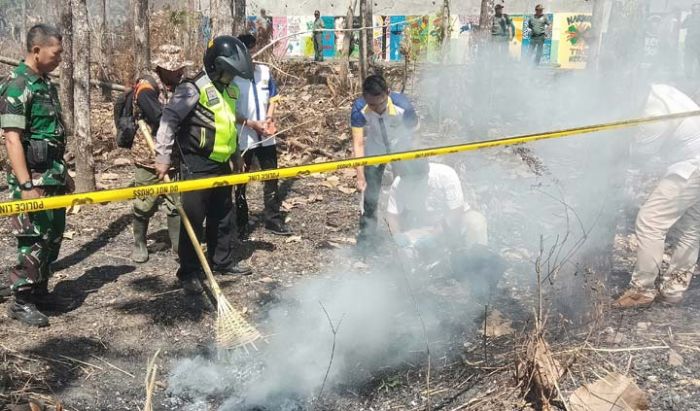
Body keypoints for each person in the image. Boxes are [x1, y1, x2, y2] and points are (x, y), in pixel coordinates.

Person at [154, 35, 255, 293]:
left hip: (222, 163)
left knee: (223, 216)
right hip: (197, 163)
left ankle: (221, 261)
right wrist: (163, 156)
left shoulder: (230, 90)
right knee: (193, 220)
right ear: (214, 66)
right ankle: (188, 272)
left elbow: (228, 125)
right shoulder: (193, 88)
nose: (231, 78)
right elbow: (168, 121)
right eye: (228, 73)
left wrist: (235, 155)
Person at [0, 24, 73, 326]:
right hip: (33, 179)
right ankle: (21, 299)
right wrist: (26, 184)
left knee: (53, 236)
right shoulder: (19, 85)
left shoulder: (45, 84)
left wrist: (65, 172)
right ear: (36, 51)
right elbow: (12, 138)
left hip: (52, 175)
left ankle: (41, 291)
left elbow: (52, 134)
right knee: (33, 239)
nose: (60, 59)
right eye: (56, 53)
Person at [614, 84, 700, 308]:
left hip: (693, 166)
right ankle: (673, 289)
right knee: (691, 228)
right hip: (694, 161)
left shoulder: (655, 112)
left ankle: (641, 290)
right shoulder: (660, 90)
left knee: (650, 220)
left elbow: (641, 155)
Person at [386, 159, 501, 298]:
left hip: (457, 223)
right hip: (425, 228)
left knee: (476, 223)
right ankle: (414, 292)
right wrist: (397, 235)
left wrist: (435, 235)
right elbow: (392, 215)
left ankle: (479, 273)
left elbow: (456, 211)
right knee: (404, 252)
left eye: (417, 179)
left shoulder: (445, 175)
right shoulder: (399, 184)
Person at [130, 45, 190, 263]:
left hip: (175, 155)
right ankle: (139, 242)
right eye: (176, 69)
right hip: (149, 155)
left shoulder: (182, 84)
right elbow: (159, 116)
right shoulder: (147, 86)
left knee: (176, 203)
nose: (180, 72)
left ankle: (178, 245)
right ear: (163, 68)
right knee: (144, 204)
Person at [351, 74, 418, 248]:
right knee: (370, 196)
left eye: (379, 104)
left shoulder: (403, 105)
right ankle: (367, 239)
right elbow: (358, 143)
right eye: (371, 105)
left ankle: (407, 232)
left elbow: (413, 130)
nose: (376, 109)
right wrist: (360, 176)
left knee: (405, 189)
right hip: (376, 149)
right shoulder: (359, 108)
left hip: (399, 146)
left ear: (387, 93)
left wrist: (408, 158)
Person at [233, 34, 291, 238]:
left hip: (266, 136)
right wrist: (249, 124)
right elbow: (228, 110)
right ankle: (240, 223)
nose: (251, 55)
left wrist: (269, 118)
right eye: (247, 51)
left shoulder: (264, 72)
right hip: (243, 137)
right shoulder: (232, 77)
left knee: (271, 176)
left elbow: (274, 97)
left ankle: (272, 219)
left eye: (253, 50)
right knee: (241, 181)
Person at [682, 3, 700, 78]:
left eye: (698, 9)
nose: (696, 11)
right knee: (688, 59)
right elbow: (682, 26)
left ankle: (697, 75)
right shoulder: (689, 17)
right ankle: (688, 76)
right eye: (695, 9)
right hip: (690, 42)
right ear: (692, 10)